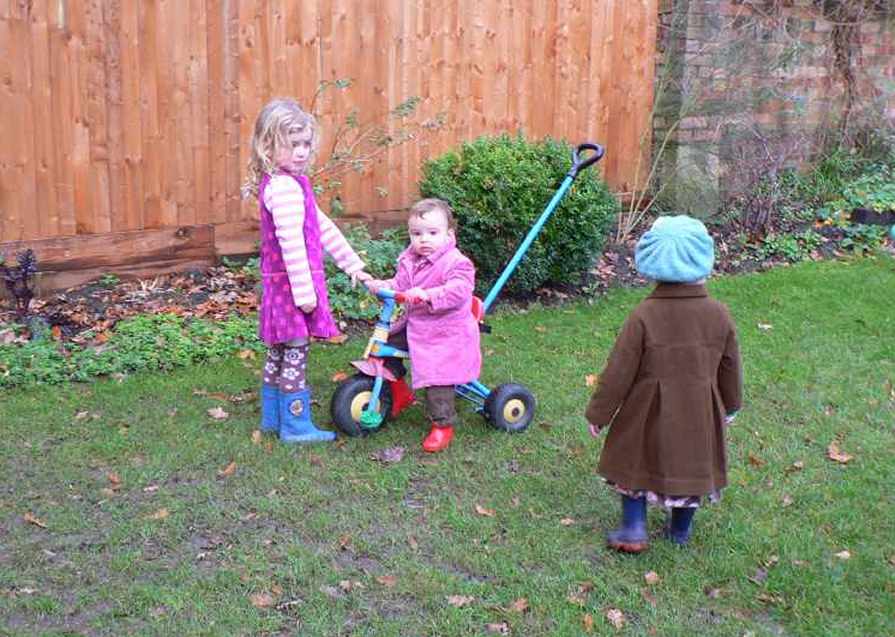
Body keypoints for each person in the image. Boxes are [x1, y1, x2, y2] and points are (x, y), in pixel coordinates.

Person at [585, 215, 742, 552]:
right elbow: (730, 365)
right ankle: (680, 531)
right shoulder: (719, 314)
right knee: (693, 466)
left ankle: (634, 528)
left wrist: (599, 413)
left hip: (646, 409)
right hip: (699, 411)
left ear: (652, 263)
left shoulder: (644, 314)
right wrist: (731, 405)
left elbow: (619, 370)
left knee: (635, 461)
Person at [242, 98, 371, 444]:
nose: (301, 152)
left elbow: (321, 226)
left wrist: (353, 265)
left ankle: (273, 419)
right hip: (291, 289)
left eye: (305, 144)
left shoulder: (287, 182)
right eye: (292, 144)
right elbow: (291, 244)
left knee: (279, 351)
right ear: (268, 146)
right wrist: (304, 294)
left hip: (282, 286)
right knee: (295, 352)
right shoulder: (284, 188)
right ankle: (296, 426)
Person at [366, 198, 481, 453]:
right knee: (385, 348)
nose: (423, 240)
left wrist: (428, 295)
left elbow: (459, 290)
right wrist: (383, 286)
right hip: (416, 325)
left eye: (432, 233)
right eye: (417, 234)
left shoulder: (457, 262)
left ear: (449, 235)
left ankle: (442, 424)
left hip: (446, 332)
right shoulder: (410, 259)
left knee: (436, 374)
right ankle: (400, 394)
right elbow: (400, 284)